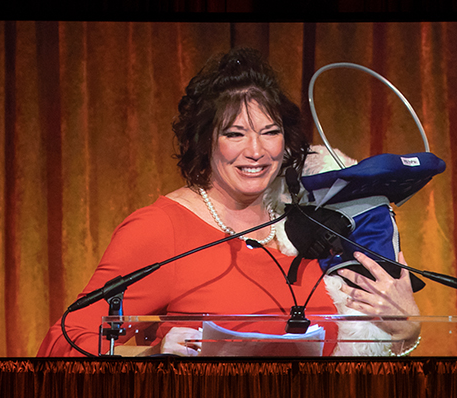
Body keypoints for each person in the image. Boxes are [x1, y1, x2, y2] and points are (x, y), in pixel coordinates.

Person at [37, 47, 420, 357]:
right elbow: (63, 343)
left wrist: (407, 330)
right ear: (205, 141)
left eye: (270, 132)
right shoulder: (160, 229)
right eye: (235, 133)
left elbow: (359, 345)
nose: (256, 151)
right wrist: (151, 355)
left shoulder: (309, 220)